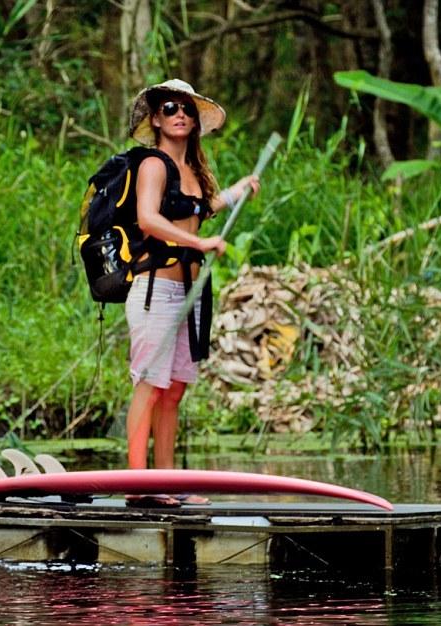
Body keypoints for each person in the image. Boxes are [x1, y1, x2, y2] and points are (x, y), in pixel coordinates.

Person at [123, 79, 260, 506]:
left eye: (186, 108)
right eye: (169, 107)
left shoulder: (195, 171)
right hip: (154, 291)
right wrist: (197, 244)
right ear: (157, 119)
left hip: (190, 294)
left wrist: (236, 192)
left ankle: (167, 482)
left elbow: (198, 209)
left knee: (175, 388)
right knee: (149, 384)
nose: (179, 113)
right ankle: (138, 485)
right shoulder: (152, 165)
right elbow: (147, 218)